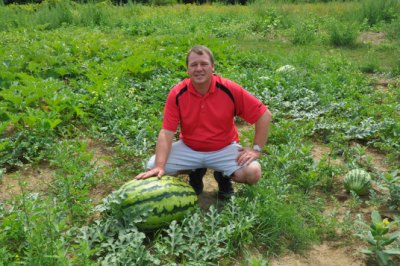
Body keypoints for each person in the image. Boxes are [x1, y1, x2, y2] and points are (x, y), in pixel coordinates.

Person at [135, 45, 272, 199]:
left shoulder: (229, 89)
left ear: (212, 67)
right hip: (190, 148)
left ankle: (223, 177)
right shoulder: (177, 93)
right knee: (152, 167)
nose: (199, 69)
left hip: (223, 148)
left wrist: (256, 149)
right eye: (193, 65)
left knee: (253, 173)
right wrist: (160, 166)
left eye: (204, 64)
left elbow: (264, 115)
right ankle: (195, 171)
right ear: (187, 70)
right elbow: (166, 132)